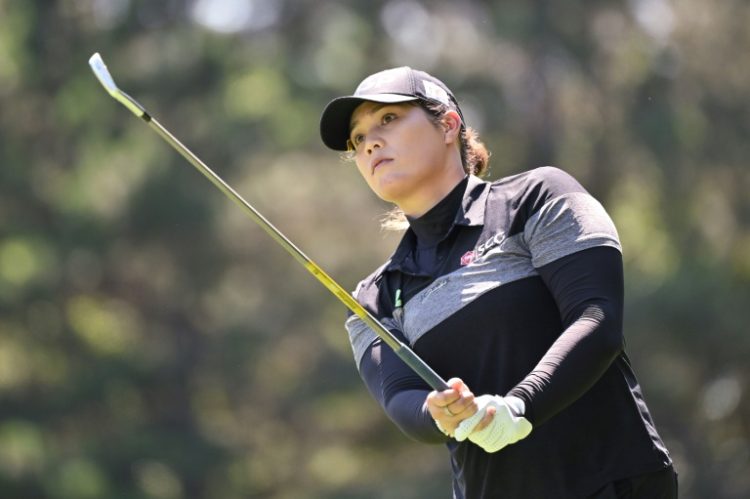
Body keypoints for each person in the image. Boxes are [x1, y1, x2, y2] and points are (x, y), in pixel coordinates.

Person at [319, 67, 677, 499]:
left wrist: (519, 406)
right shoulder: (372, 299)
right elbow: (400, 398)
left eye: (388, 119)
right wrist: (438, 412)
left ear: (449, 124)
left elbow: (596, 318)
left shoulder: (538, 196)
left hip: (614, 484)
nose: (370, 142)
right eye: (358, 139)